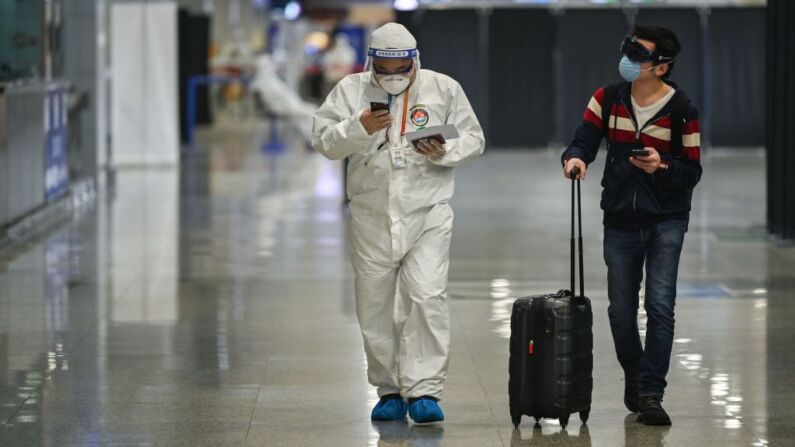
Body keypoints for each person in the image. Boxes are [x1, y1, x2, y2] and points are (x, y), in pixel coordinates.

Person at [312, 22, 485, 423]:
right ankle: (388, 388)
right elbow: (323, 141)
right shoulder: (351, 91)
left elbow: (474, 138)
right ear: (372, 63)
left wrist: (443, 149)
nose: (392, 78)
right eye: (384, 70)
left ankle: (424, 389)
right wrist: (358, 127)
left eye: (400, 70)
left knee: (426, 296)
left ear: (415, 62)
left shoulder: (444, 89)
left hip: (429, 211)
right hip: (371, 216)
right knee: (374, 306)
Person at [561, 25, 702, 426]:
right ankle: (636, 374)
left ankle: (651, 392)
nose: (628, 58)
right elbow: (583, 140)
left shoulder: (682, 110)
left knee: (659, 307)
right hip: (620, 217)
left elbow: (692, 170)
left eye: (639, 53)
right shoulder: (607, 99)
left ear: (661, 67)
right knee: (621, 311)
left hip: (667, 219)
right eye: (628, 48)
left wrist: (662, 166)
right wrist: (575, 159)